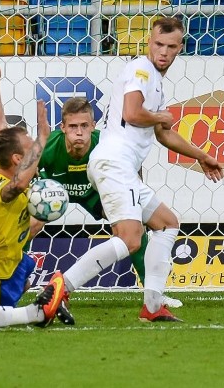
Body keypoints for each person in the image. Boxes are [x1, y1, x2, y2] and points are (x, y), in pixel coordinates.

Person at [51, 17, 224, 322]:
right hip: (114, 162)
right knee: (131, 239)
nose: (163, 52)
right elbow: (133, 113)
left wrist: (202, 156)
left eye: (171, 47)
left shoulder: (155, 81)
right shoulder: (141, 69)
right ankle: (60, 288)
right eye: (158, 44)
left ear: (180, 48)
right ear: (149, 42)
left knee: (167, 223)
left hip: (120, 167)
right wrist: (159, 116)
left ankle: (153, 306)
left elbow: (162, 133)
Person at [37, 96, 182, 311]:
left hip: (95, 193)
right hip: (57, 192)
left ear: (93, 126)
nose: (79, 132)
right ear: (63, 128)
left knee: (135, 227)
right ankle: (17, 280)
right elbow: (30, 171)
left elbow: (128, 173)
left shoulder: (104, 145)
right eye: (73, 126)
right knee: (28, 222)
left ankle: (152, 293)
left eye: (84, 126)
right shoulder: (49, 146)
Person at [0, 48, 71, 324]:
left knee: (29, 246)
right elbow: (20, 183)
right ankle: (37, 312)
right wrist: (43, 138)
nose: (34, 143)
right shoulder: (3, 191)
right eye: (29, 144)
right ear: (18, 159)